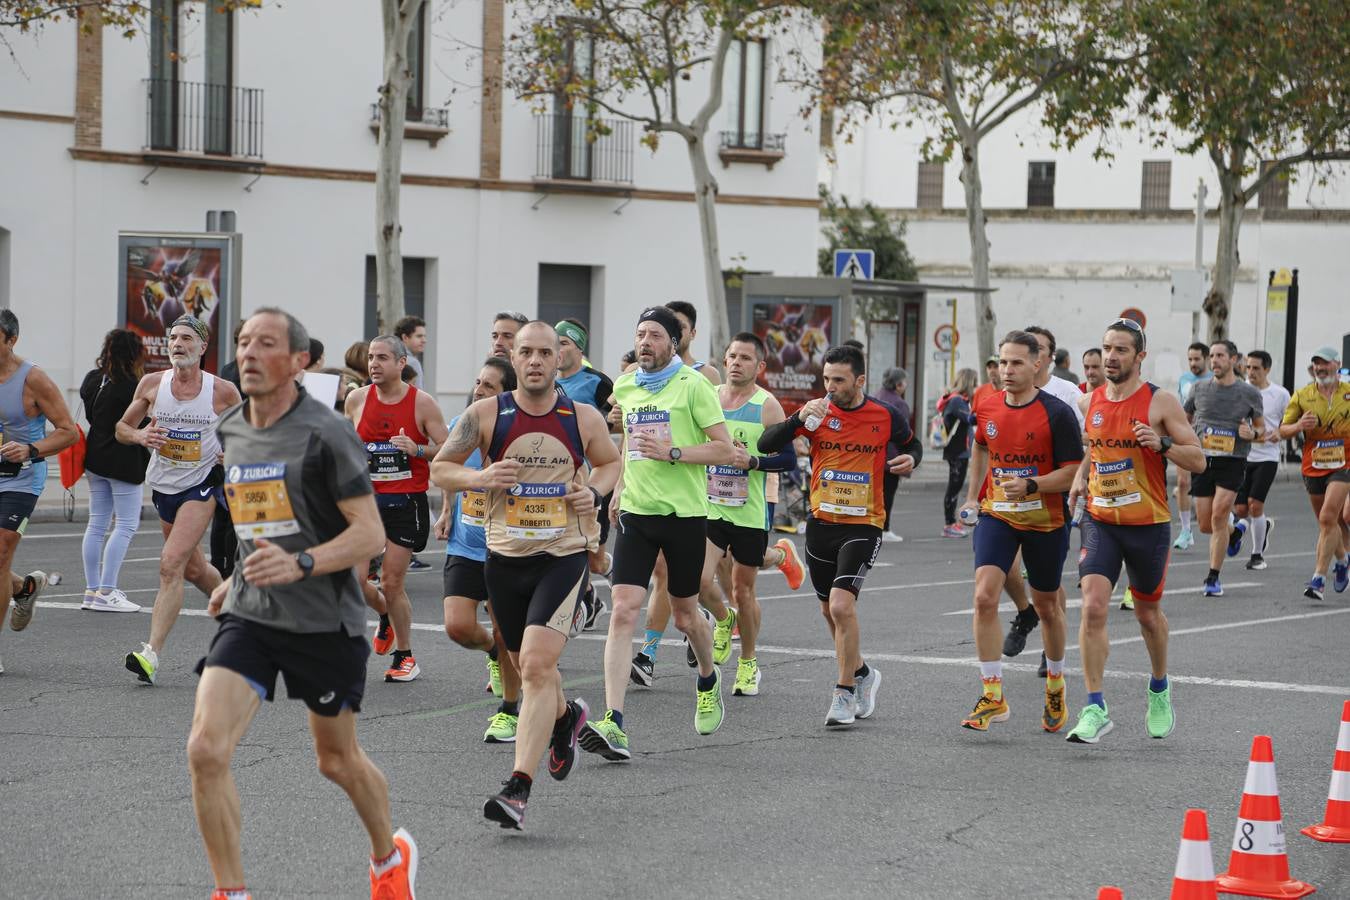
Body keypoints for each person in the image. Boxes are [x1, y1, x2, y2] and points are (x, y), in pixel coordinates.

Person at [189, 308, 417, 899]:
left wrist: (303, 563)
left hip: (322, 618)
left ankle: (389, 858)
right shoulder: (233, 427)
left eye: (266, 344)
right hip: (253, 613)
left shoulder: (327, 430)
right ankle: (231, 891)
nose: (250, 354)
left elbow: (368, 534)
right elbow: (257, 517)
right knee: (206, 749)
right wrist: (236, 575)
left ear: (298, 361)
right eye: (243, 343)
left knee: (336, 761)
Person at [433, 321, 621, 830]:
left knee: (537, 666)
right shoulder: (485, 415)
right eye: (526, 352)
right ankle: (564, 719)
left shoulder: (581, 418)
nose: (536, 360)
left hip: (562, 557)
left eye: (545, 352)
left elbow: (608, 464)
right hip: (504, 559)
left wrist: (595, 494)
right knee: (521, 661)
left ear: (559, 359)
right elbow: (440, 468)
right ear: (512, 358)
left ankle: (518, 786)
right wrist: (479, 476)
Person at [578, 306, 735, 761]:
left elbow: (723, 447)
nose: (645, 341)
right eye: (639, 333)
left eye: (654, 335)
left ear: (672, 342)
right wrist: (620, 488)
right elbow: (630, 442)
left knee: (686, 617)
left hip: (684, 516)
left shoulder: (694, 385)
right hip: (637, 515)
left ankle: (708, 677)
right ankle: (614, 723)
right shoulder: (626, 385)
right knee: (624, 609)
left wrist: (675, 451)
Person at [758, 344, 923, 726]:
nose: (830, 388)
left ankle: (844, 693)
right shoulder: (817, 414)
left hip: (864, 523)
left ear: (860, 380)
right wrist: (797, 417)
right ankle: (864, 673)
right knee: (827, 608)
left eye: (839, 380)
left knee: (841, 606)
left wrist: (912, 457)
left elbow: (911, 442)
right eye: (826, 379)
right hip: (821, 522)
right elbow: (766, 444)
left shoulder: (884, 415)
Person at [1066, 318, 1204, 744]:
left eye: (1121, 350)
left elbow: (1198, 460)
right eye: (1107, 348)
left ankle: (1159, 687)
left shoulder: (1160, 403)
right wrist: (1079, 478)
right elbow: (1097, 449)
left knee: (1146, 614)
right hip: (1101, 520)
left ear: (1139, 356)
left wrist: (1161, 444)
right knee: (1092, 607)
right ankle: (1094, 706)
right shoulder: (1089, 403)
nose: (1110, 356)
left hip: (1148, 525)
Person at [959, 332, 1082, 733]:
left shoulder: (1056, 414)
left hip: (1045, 520)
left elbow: (1073, 472)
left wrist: (1033, 484)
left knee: (1047, 605)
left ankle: (1056, 684)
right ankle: (993, 696)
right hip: (999, 514)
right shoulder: (989, 406)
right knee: (983, 596)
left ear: (1037, 365)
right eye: (1001, 362)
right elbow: (980, 447)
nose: (1005, 370)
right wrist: (974, 497)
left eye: (1015, 363)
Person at [119, 314, 241, 685]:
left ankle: (150, 654)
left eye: (187, 338)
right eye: (173, 338)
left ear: (202, 347)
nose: (177, 344)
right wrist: (141, 438)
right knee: (193, 569)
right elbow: (122, 428)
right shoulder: (153, 384)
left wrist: (232, 451)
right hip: (163, 486)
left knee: (171, 564)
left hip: (200, 486)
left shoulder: (221, 391)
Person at [698, 333, 802, 697]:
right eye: (732, 356)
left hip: (749, 512)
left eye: (745, 358)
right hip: (710, 506)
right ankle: (724, 621)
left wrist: (752, 460)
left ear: (759, 367)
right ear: (724, 361)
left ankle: (749, 662)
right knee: (697, 581)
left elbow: (788, 459)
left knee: (743, 590)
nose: (736, 363)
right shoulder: (708, 399)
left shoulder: (766, 406)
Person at [345, 335, 448, 683]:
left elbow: (448, 450)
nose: (374, 364)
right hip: (365, 501)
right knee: (356, 581)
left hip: (405, 501)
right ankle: (386, 616)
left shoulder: (423, 403)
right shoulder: (357, 399)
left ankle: (405, 656)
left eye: (383, 358)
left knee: (390, 581)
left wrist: (416, 449)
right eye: (372, 358)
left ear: (401, 363)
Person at [435, 357, 525, 743]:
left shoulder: (519, 431)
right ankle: (491, 651)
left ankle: (508, 710)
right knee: (457, 627)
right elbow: (446, 468)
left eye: (488, 386)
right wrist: (445, 511)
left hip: (508, 545)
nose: (478, 390)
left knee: (508, 633)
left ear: (505, 393)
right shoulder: (463, 424)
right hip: (466, 544)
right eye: (478, 382)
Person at [0, 310, 79, 666]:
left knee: (0, 553)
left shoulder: (33, 380)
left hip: (21, 479)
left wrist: (30, 450)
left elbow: (69, 431)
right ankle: (25, 588)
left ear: (11, 340)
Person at [1183, 340, 1264, 596]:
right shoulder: (1198, 389)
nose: (1214, 361)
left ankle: (1213, 578)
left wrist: (1251, 433)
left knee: (1219, 515)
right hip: (1202, 460)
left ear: (1233, 360)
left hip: (1233, 460)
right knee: (1206, 525)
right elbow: (1184, 421)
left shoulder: (1249, 393)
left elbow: (1262, 430)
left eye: (1220, 356)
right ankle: (1236, 532)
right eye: (1212, 356)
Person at [79, 329, 150, 613]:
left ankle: (91, 590)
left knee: (96, 524)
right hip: (124, 460)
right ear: (135, 354)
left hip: (95, 457)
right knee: (126, 524)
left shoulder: (92, 379)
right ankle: (107, 591)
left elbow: (90, 416)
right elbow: (140, 425)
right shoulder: (134, 385)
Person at [1278, 346, 1350, 600]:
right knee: (1325, 521)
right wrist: (1299, 425)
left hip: (1343, 465)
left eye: (1325, 364)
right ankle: (1342, 559)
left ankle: (1318, 578)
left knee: (1330, 516)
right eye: (1317, 364)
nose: (1320, 368)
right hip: (1313, 466)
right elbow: (1282, 430)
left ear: (1337, 365)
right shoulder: (1303, 395)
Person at [1236, 351, 1289, 570]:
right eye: (1248, 367)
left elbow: (1289, 421)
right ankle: (1262, 526)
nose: (1251, 372)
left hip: (1267, 456)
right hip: (1242, 455)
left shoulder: (1280, 394)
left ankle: (1257, 555)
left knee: (1255, 505)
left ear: (1267, 369)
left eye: (1256, 368)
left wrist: (1280, 432)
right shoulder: (1239, 391)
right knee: (1240, 509)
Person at [1174, 342, 1212, 550]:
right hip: (1185, 436)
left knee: (1210, 485)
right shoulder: (1184, 379)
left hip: (1209, 440)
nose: (1193, 363)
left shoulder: (1213, 380)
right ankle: (1186, 531)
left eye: (1197, 359)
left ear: (1206, 359)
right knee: (1182, 483)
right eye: (1190, 359)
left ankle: (1228, 519)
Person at [876, 366, 912, 542]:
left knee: (874, 494)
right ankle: (884, 528)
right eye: (905, 381)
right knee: (887, 495)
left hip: (871, 456)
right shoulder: (899, 404)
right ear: (898, 384)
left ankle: (874, 526)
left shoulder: (876, 396)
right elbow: (903, 435)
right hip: (890, 457)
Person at [941, 368, 977, 538]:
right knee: (954, 487)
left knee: (955, 486)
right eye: (974, 382)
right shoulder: (957, 401)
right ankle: (949, 524)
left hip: (958, 450)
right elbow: (971, 418)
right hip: (957, 450)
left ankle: (951, 523)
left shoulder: (957, 399)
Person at [666, 301, 721, 384]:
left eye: (681, 327)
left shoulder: (708, 375)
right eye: (669, 326)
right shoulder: (644, 371)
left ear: (692, 334)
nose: (675, 332)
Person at [393, 316, 426, 388]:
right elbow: (418, 394)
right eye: (419, 336)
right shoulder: (412, 362)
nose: (424, 340)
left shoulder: (389, 357)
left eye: (424, 336)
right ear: (405, 337)